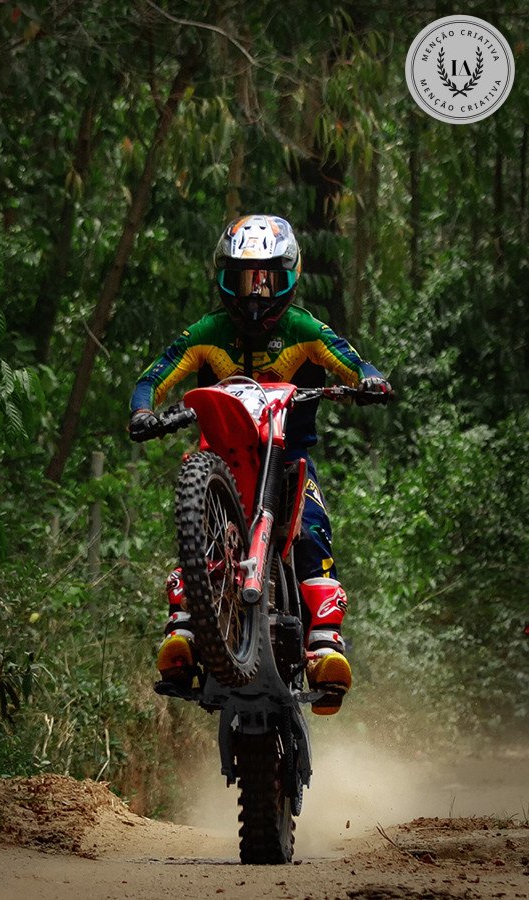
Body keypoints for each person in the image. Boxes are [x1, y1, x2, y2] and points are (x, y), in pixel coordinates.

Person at [130, 214, 391, 715]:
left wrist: (371, 378)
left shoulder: (303, 327)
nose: (257, 292)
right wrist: (143, 410)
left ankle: (324, 646)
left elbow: (351, 358)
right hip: (223, 460)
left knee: (312, 530)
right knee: (199, 527)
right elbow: (154, 374)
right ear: (224, 278)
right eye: (245, 278)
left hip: (288, 456)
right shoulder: (207, 331)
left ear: (289, 276)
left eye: (268, 277)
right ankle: (183, 630)